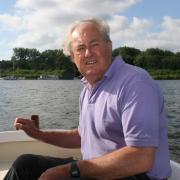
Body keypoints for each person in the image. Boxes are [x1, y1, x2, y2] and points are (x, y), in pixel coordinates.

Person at [4, 18, 171, 180]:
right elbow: (82, 136)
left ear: (109, 46)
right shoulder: (89, 88)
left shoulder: (135, 83)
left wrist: (69, 171)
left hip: (135, 175)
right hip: (96, 170)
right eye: (80, 48)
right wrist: (38, 134)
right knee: (24, 165)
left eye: (94, 44)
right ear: (72, 57)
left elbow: (141, 157)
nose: (88, 53)